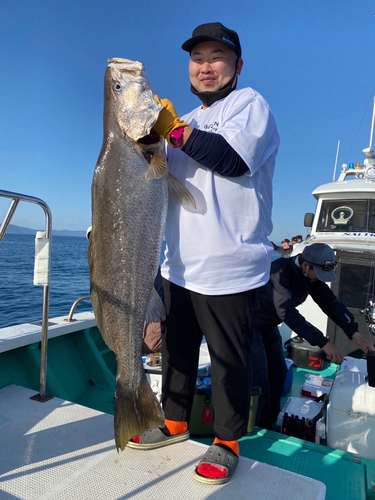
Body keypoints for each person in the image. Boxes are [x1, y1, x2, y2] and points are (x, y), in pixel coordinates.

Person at [127, 22, 280, 484]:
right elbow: (159, 172)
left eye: (217, 57)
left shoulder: (250, 105)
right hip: (179, 264)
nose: (206, 66)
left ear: (236, 65)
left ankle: (227, 441)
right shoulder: (187, 119)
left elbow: (231, 160)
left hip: (233, 265)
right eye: (198, 58)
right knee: (176, 352)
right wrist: (146, 140)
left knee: (228, 358)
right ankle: (174, 422)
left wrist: (170, 129)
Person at [252, 242, 375, 429]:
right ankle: (256, 425)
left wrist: (356, 335)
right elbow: (287, 313)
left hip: (269, 327)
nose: (320, 279)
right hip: (251, 325)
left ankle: (270, 420)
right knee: (259, 376)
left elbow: (331, 304)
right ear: (305, 265)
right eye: (318, 273)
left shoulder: (311, 278)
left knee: (277, 373)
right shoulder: (279, 272)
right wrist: (323, 342)